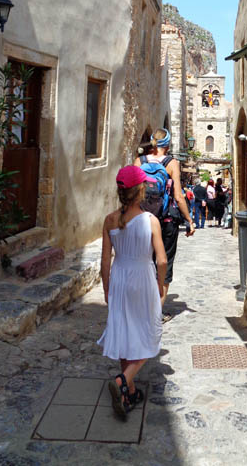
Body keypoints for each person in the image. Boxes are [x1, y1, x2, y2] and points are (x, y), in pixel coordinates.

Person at [98, 165, 167, 418]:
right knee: (149, 332)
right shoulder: (151, 221)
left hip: (120, 277)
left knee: (124, 329)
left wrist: (107, 289)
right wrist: (160, 287)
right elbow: (161, 261)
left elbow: (105, 261)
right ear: (140, 191)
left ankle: (129, 390)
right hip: (142, 278)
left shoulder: (109, 220)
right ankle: (122, 381)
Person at [134, 128, 195, 319]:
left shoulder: (139, 161)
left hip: (142, 219)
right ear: (167, 145)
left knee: (143, 262)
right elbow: (178, 195)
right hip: (165, 221)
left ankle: (139, 307)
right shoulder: (171, 163)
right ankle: (155, 313)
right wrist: (189, 220)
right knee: (164, 265)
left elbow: (132, 191)